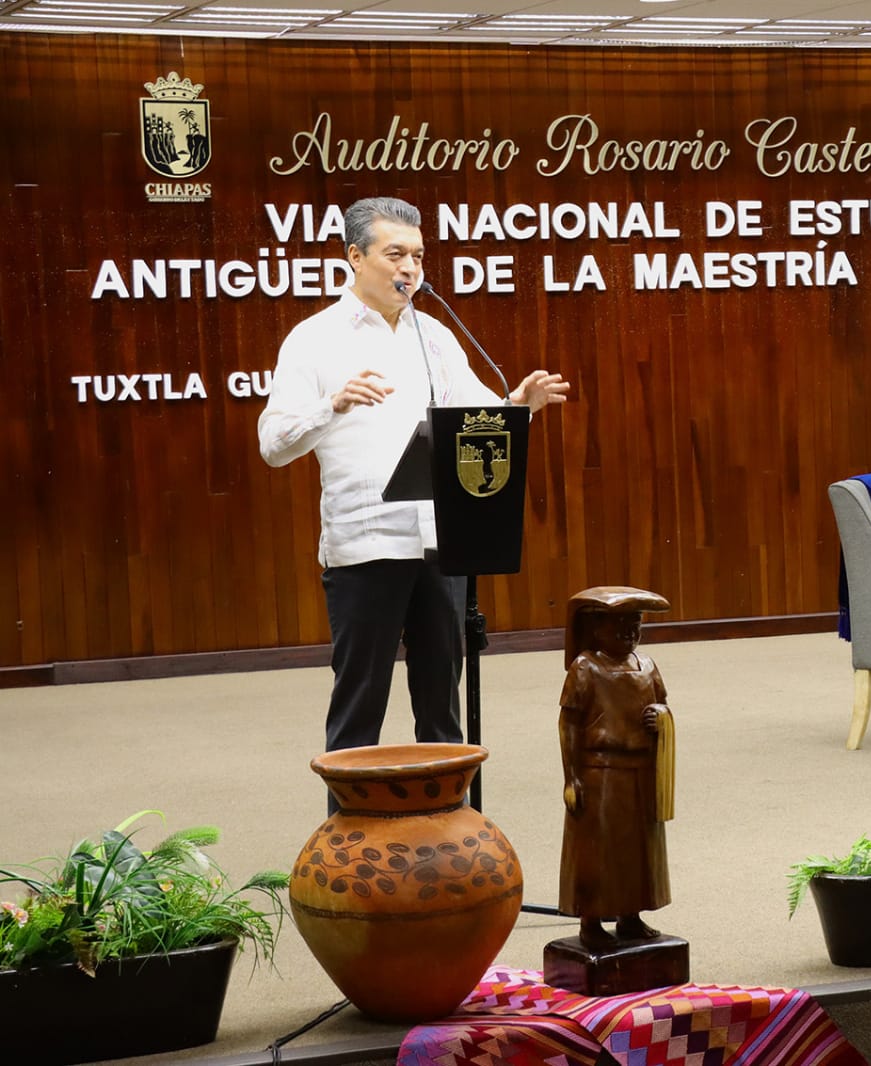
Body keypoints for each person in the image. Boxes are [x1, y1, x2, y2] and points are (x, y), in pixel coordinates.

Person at [258, 196, 569, 800]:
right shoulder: (314, 340)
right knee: (360, 708)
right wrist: (332, 405)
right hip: (366, 545)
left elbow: (475, 421)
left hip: (440, 543)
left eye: (419, 256)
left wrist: (517, 408)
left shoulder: (437, 337)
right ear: (355, 257)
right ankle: (348, 839)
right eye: (395, 254)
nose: (410, 268)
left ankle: (448, 831)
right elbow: (273, 444)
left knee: (441, 710)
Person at [557, 587, 675, 948]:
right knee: (599, 849)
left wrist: (661, 716)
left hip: (641, 770)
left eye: (635, 623)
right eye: (619, 623)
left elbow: (663, 704)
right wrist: (571, 777)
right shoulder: (586, 667)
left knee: (638, 850)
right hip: (602, 773)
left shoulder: (647, 666)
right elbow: (568, 724)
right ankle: (591, 921)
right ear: (596, 629)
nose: (629, 631)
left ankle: (630, 916)